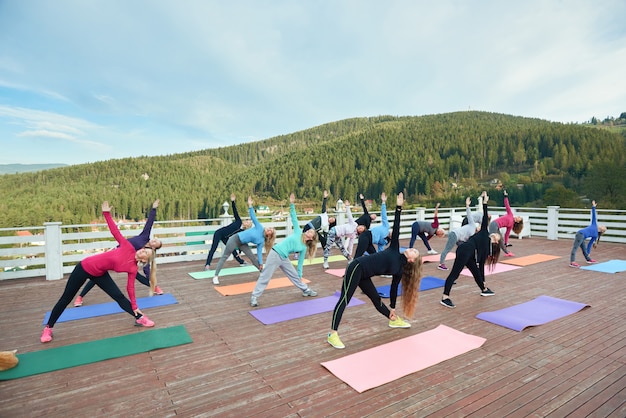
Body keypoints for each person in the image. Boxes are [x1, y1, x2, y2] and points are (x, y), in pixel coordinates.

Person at [41, 201, 156, 343]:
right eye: (144, 249)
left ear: (145, 260)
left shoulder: (132, 268)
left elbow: (130, 288)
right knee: (65, 299)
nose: (142, 250)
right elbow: (115, 231)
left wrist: (134, 306)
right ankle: (48, 328)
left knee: (119, 296)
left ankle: (139, 318)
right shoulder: (127, 246)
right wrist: (106, 214)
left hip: (100, 274)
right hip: (84, 267)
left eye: (146, 252)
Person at [327, 192, 422, 349]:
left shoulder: (399, 271)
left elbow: (393, 289)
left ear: (412, 261)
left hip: (364, 274)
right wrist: (398, 208)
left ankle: (393, 319)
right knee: (345, 299)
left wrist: (392, 307)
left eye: (415, 252)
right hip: (356, 267)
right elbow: (396, 228)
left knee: (377, 300)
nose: (412, 249)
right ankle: (332, 334)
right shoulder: (395, 249)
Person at [74, 199, 163, 307]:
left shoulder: (147, 254)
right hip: (115, 253)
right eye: (155, 239)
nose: (153, 240)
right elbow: (150, 223)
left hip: (127, 262)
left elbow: (146, 269)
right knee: (97, 275)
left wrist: (151, 280)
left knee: (137, 276)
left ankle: (154, 287)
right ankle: (80, 297)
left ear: (154, 247)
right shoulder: (144, 236)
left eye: (155, 242)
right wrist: (153, 208)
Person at [250, 193, 319, 307]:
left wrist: (300, 274)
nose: (308, 231)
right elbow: (294, 218)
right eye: (309, 230)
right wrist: (292, 204)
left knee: (294, 275)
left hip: (284, 257)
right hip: (275, 253)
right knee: (265, 276)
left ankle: (306, 290)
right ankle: (254, 297)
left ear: (311, 238)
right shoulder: (298, 232)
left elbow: (300, 263)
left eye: (311, 232)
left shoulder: (303, 247)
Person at [440, 191, 500, 309]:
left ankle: (484, 289)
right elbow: (484, 217)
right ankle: (445, 297)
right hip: (465, 249)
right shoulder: (484, 232)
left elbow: (481, 265)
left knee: (476, 272)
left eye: (497, 236)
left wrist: (483, 280)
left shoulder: (487, 251)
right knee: (455, 274)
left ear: (496, 242)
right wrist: (485, 202)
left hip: (469, 254)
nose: (495, 235)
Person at [212, 196, 276, 285]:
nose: (268, 229)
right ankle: (215, 276)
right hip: (235, 239)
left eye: (270, 230)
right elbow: (253, 217)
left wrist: (261, 263)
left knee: (253, 258)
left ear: (269, 236)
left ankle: (263, 274)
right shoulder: (259, 227)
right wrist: (250, 205)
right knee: (225, 257)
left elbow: (259, 253)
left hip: (243, 243)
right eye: (269, 228)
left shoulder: (261, 241)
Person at [204, 194, 250, 271]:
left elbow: (241, 242)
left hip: (226, 237)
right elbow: (235, 211)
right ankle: (207, 265)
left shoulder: (242, 232)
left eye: (248, 223)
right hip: (219, 233)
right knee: (213, 249)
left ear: (248, 226)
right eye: (246, 221)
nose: (246, 222)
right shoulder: (238, 221)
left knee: (233, 249)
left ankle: (241, 262)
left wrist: (240, 252)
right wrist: (232, 201)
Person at [438, 196, 482, 271]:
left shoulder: (473, 235)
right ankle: (441, 264)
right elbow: (469, 215)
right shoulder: (472, 224)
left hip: (458, 238)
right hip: (455, 234)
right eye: (479, 227)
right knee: (447, 249)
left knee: (464, 249)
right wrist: (467, 205)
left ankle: (464, 262)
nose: (479, 228)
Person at [322, 199, 359, 269]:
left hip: (338, 235)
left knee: (342, 248)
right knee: (328, 247)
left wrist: (350, 254)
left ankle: (349, 259)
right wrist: (347, 206)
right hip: (334, 231)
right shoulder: (353, 224)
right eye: (360, 227)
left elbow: (351, 244)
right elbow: (349, 216)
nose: (359, 228)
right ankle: (325, 262)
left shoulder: (354, 235)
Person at [569, 200, 607, 268]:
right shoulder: (594, 224)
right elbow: (593, 215)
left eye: (602, 226)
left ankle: (588, 259)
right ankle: (572, 262)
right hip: (580, 234)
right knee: (575, 248)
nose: (600, 225)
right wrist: (593, 207)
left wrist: (588, 252)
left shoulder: (595, 235)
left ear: (601, 230)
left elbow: (590, 244)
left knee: (584, 249)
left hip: (582, 237)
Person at [488, 189, 523, 257]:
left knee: (501, 240)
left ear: (518, 221)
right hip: (494, 224)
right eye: (519, 216)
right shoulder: (510, 214)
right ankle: (489, 253)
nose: (518, 217)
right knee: (492, 239)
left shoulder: (510, 225)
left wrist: (506, 243)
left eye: (519, 218)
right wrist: (505, 196)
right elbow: (507, 205)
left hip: (496, 226)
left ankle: (507, 252)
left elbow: (507, 234)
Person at [354, 192, 390, 258]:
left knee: (375, 256)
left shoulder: (385, 241)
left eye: (375, 217)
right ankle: (352, 266)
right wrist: (383, 202)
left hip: (369, 241)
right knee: (358, 255)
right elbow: (384, 215)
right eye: (374, 215)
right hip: (366, 236)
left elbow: (380, 250)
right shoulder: (386, 227)